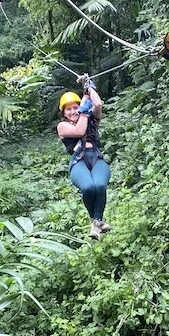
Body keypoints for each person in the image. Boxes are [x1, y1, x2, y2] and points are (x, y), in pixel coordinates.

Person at [57, 78, 111, 239]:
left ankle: (98, 223)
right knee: (88, 187)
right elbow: (80, 131)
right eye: (69, 109)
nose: (73, 111)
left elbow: (98, 104)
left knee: (100, 185)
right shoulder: (63, 126)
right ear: (64, 113)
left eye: (75, 107)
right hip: (78, 161)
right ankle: (95, 221)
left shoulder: (92, 120)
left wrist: (88, 86)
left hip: (96, 158)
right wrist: (83, 109)